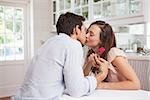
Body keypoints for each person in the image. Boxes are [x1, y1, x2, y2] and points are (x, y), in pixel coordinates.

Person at [13, 12, 108, 100]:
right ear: (76, 30)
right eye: (85, 30)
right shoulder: (73, 45)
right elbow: (76, 90)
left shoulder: (50, 42)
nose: (86, 35)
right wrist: (101, 75)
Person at [84, 20, 141, 90]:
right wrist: (89, 64)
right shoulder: (92, 54)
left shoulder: (114, 54)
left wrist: (100, 85)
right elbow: (82, 81)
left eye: (91, 34)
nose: (86, 35)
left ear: (102, 39)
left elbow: (135, 84)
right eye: (87, 32)